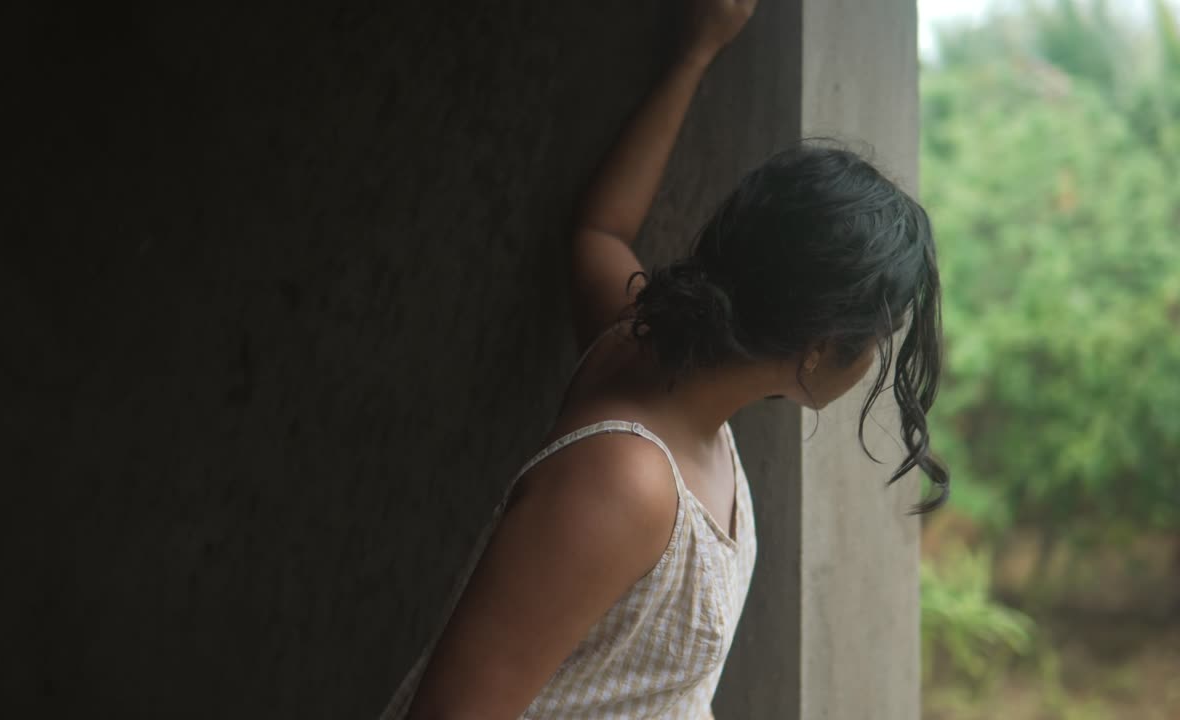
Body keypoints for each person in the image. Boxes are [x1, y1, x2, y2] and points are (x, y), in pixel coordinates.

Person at [381, 0, 948, 717]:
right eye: (879, 334)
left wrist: (694, 56)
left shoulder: (644, 353)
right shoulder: (625, 482)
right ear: (818, 349)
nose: (874, 357)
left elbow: (598, 230)